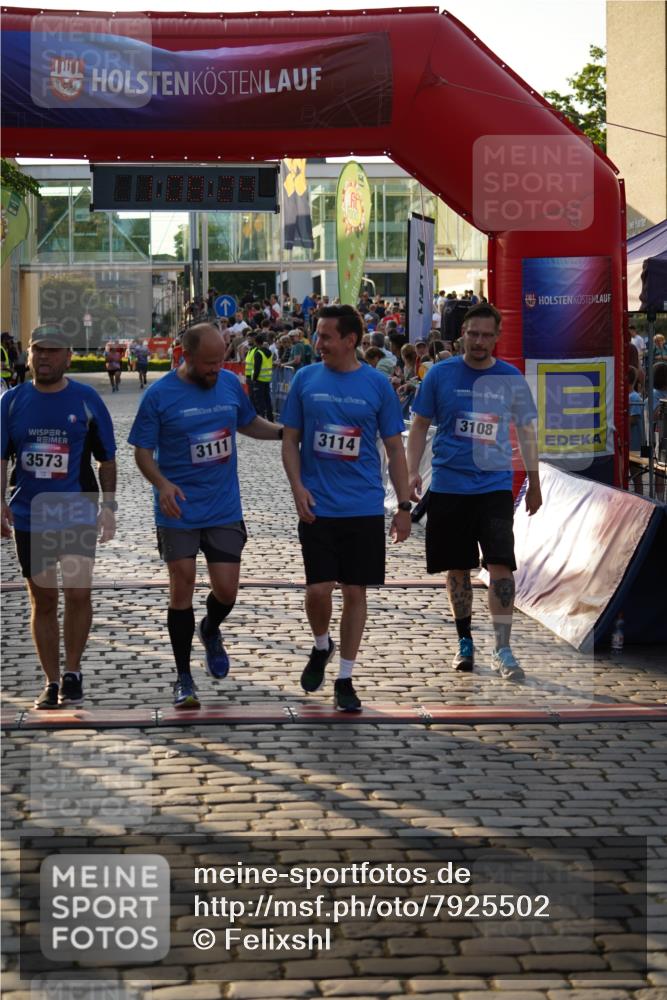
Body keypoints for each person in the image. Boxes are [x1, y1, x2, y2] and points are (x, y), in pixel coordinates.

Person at [128, 323, 282, 710]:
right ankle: (183, 677)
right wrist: (162, 485)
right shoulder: (159, 395)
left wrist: (283, 433)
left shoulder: (230, 385)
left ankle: (210, 629)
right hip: (177, 508)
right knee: (182, 586)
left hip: (223, 505)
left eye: (222, 359)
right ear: (186, 356)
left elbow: (247, 422)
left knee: (227, 591)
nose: (217, 368)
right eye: (210, 362)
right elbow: (142, 452)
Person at [281, 304, 412, 712]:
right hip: (317, 505)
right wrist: (297, 487)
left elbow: (394, 447)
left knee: (355, 591)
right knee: (318, 590)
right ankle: (322, 645)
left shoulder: (377, 385)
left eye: (325, 336)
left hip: (363, 508)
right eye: (317, 335)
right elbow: (290, 440)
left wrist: (404, 505)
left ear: (350, 340)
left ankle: (345, 678)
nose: (317, 343)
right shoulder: (305, 379)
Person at [406, 302, 542, 682]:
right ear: (462, 334)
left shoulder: (510, 378)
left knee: (501, 564)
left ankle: (502, 646)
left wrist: (534, 482)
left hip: (494, 484)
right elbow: (419, 426)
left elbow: (527, 431)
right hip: (449, 484)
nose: (479, 341)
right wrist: (412, 471)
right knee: (457, 567)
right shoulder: (440, 375)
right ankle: (464, 641)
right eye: (473, 333)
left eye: (486, 335)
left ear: (497, 338)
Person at [1, 324, 117, 709]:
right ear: (28, 355)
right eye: (38, 350)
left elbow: (107, 458)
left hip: (77, 509)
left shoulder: (86, 399)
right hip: (30, 514)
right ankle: (51, 681)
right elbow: (2, 457)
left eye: (53, 351)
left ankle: (73, 670)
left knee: (78, 593)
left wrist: (110, 507)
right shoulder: (12, 401)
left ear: (69, 356)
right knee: (44, 598)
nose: (44, 357)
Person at [245, 331, 274, 421]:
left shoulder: (259, 353)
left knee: (259, 401)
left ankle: (262, 420)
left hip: (259, 380)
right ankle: (270, 419)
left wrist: (254, 379)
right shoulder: (269, 352)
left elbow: (257, 368)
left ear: (256, 342)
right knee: (267, 400)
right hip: (266, 379)